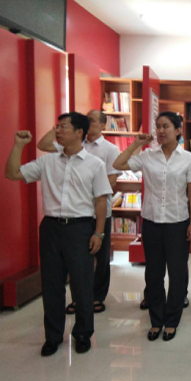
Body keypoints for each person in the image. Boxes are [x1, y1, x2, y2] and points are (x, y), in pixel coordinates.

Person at [5, 112, 113, 356]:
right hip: (51, 228)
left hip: (80, 228)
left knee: (82, 285)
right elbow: (12, 174)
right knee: (52, 285)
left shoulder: (94, 164)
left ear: (79, 132)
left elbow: (101, 200)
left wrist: (99, 234)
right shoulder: (47, 162)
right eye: (57, 126)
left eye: (63, 127)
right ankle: (53, 336)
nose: (58, 131)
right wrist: (18, 146)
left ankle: (83, 333)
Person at [113, 111, 191, 342]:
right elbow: (118, 163)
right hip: (151, 222)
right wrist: (136, 144)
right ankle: (156, 320)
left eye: (166, 126)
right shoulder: (147, 156)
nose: (160, 131)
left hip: (178, 222)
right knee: (153, 274)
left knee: (177, 273)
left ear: (178, 130)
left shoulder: (188, 158)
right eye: (158, 126)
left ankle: (172, 321)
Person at [37, 110, 120, 314]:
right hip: (74, 212)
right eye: (87, 120)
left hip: (98, 209)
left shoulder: (110, 149)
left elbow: (110, 181)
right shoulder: (70, 145)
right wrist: (58, 128)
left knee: (99, 257)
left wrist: (87, 194)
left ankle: (97, 296)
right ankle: (78, 299)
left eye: (93, 120)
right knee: (77, 261)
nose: (89, 123)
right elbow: (43, 145)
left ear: (102, 125)